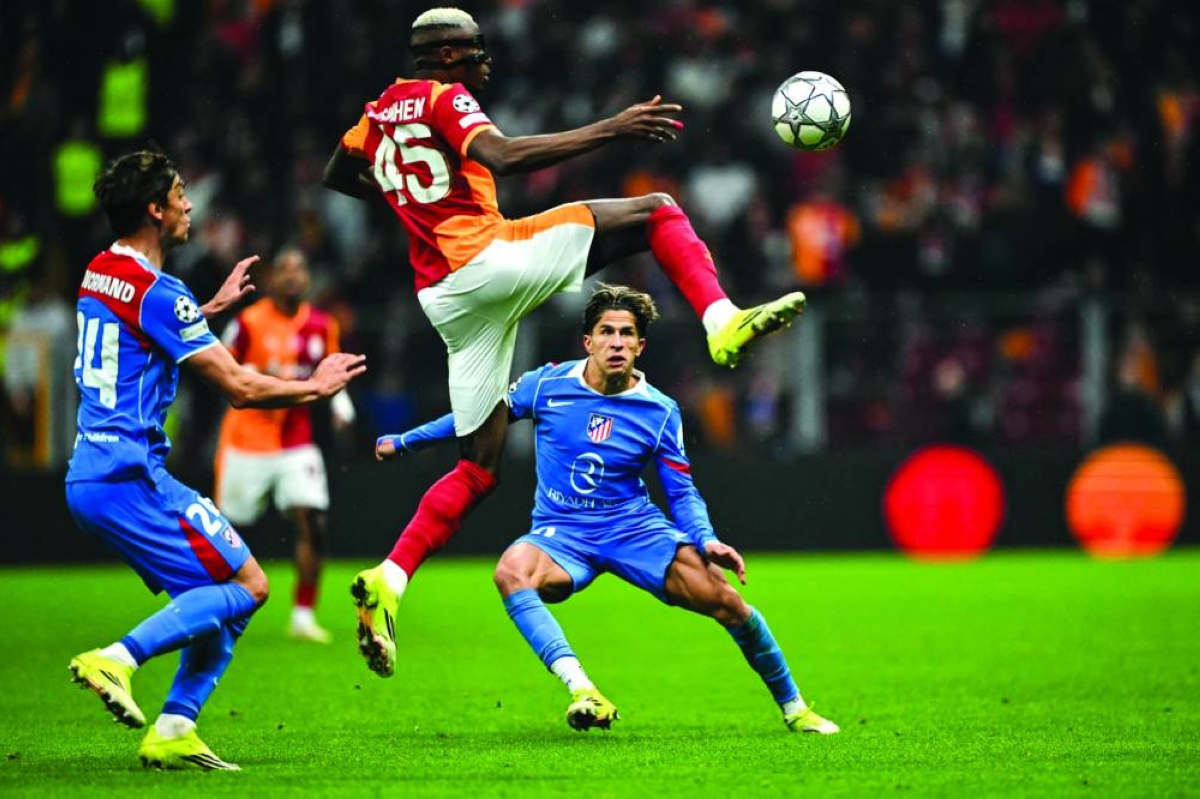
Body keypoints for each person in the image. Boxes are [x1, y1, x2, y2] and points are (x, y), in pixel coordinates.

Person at [323, 6, 808, 678]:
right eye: (474, 48)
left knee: (479, 464)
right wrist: (613, 128)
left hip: (443, 297)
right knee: (658, 210)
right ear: (442, 55)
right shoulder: (444, 97)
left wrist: (410, 200)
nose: (484, 59)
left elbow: (336, 175)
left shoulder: (376, 115)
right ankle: (721, 318)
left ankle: (391, 576)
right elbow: (506, 155)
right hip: (487, 260)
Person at [376, 284, 838, 735]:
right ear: (588, 341)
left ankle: (796, 709)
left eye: (625, 333)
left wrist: (706, 538)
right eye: (606, 331)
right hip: (562, 533)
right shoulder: (546, 385)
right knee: (511, 572)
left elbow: (681, 492)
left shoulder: (659, 411)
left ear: (640, 345)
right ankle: (584, 690)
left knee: (729, 603)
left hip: (633, 530)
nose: (616, 342)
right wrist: (406, 440)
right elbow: (475, 417)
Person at [66, 149, 366, 770]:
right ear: (154, 208)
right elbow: (240, 388)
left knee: (219, 593)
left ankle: (176, 727)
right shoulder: (160, 291)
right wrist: (315, 385)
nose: (189, 204)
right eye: (179, 193)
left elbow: (142, 331)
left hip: (91, 473)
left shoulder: (100, 271)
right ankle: (118, 659)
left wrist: (205, 314)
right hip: (131, 476)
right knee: (249, 584)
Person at [213, 247, 355, 643]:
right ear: (273, 278)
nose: (292, 276)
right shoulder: (247, 322)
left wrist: (342, 406)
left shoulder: (322, 324)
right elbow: (220, 366)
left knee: (314, 520)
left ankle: (303, 615)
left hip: (297, 441)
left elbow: (331, 371)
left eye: (300, 268)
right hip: (246, 441)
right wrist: (245, 372)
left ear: (307, 278)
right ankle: (221, 611)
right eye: (285, 269)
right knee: (230, 534)